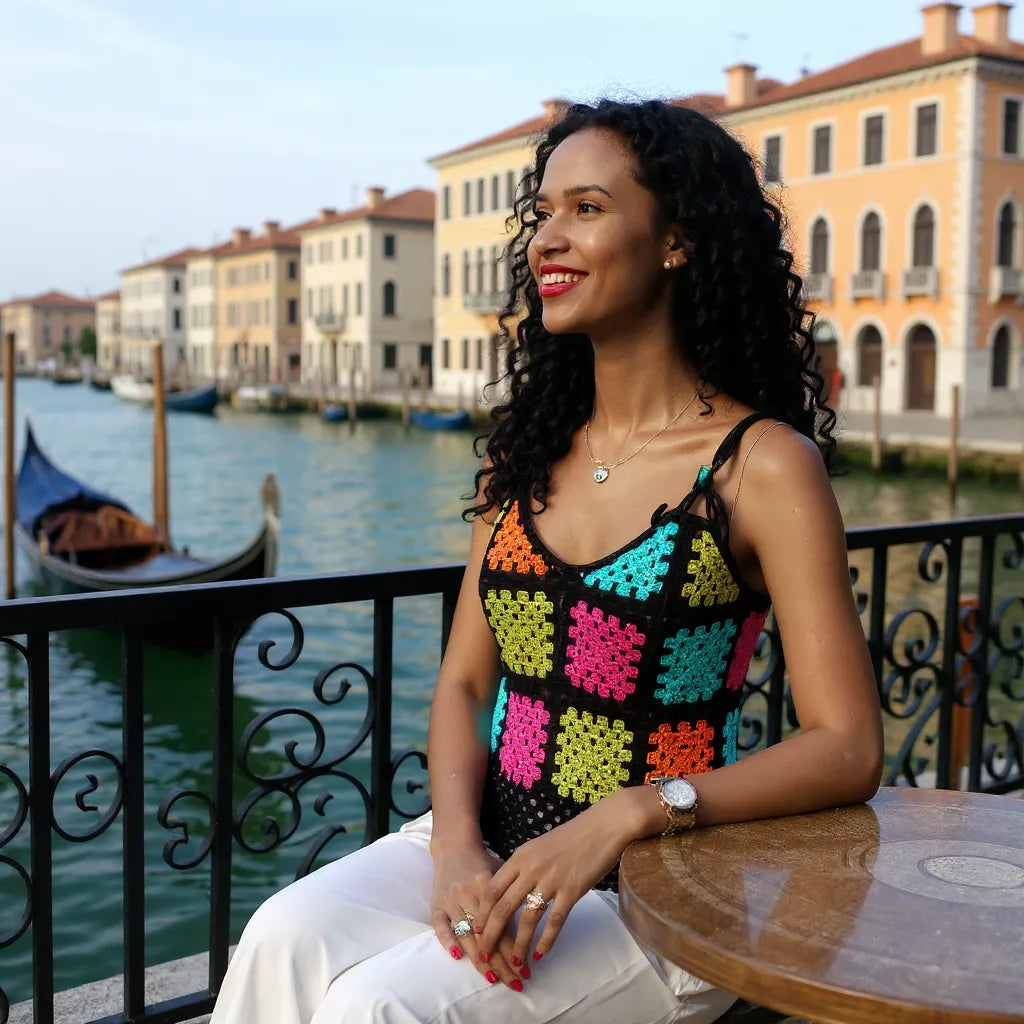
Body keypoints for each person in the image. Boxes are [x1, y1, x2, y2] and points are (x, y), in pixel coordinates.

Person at [210, 98, 883, 1024]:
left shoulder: (761, 465)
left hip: (665, 891)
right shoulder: (522, 454)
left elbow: (846, 746)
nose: (547, 240)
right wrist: (454, 847)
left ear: (678, 240)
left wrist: (628, 813)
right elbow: (460, 687)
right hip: (492, 841)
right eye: (543, 212)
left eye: (588, 208)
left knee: (379, 1010)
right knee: (280, 937)